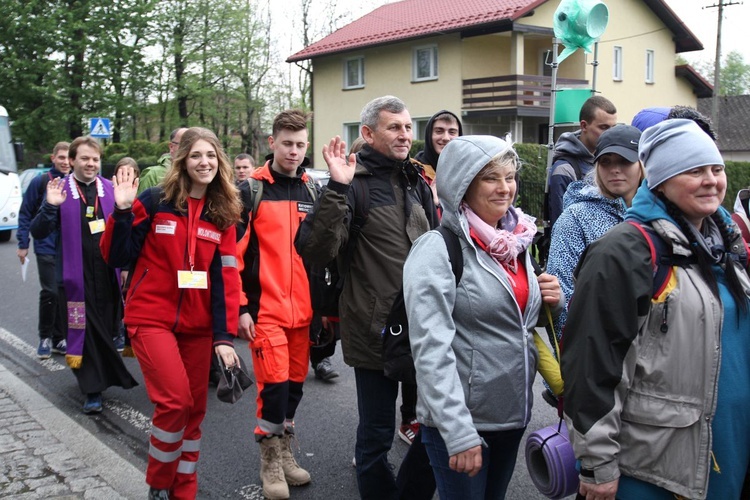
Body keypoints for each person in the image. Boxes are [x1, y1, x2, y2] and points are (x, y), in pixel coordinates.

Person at [562, 119, 750, 500]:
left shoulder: (727, 245)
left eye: (716, 169)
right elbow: (592, 363)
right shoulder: (623, 252)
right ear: (660, 180)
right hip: (653, 469)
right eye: (694, 170)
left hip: (727, 450)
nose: (711, 180)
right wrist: (598, 465)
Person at [403, 135, 563, 499]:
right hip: (463, 422)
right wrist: (457, 431)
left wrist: (552, 300)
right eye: (491, 177)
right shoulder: (437, 248)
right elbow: (431, 350)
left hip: (510, 414)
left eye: (510, 177)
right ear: (462, 182)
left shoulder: (515, 241)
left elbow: (519, 321)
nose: (505, 188)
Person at [296, 95, 438, 500]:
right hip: (374, 328)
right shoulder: (351, 186)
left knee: (436, 425)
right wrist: (337, 187)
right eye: (394, 127)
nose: (404, 135)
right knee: (376, 434)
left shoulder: (415, 181)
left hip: (422, 325)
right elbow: (315, 250)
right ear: (368, 133)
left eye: (408, 127)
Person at [100, 127, 243, 500]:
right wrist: (122, 210)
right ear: (183, 160)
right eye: (196, 155)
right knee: (175, 401)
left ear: (219, 162)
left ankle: (184, 490)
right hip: (150, 317)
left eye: (211, 155)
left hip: (197, 328)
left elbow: (225, 278)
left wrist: (224, 337)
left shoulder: (223, 212)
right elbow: (116, 256)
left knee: (194, 411)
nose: (204, 162)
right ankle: (159, 484)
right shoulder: (155, 199)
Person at [236, 109, 316, 500]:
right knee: (275, 387)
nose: (294, 152)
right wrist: (239, 307)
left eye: (301, 145)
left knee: (295, 388)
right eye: (287, 144)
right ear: (272, 143)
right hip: (265, 311)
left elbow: (319, 257)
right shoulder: (250, 190)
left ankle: (284, 451)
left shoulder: (311, 190)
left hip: (302, 314)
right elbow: (230, 256)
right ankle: (269, 459)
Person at [30, 136, 137, 414]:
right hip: (74, 278)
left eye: (95, 159)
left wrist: (125, 266)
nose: (91, 164)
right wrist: (50, 206)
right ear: (72, 160)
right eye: (85, 158)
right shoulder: (59, 189)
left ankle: (103, 377)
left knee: (105, 328)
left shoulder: (111, 189)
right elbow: (39, 231)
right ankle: (92, 389)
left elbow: (128, 230)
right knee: (85, 330)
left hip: (107, 274)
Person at [546, 125, 643, 337]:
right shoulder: (576, 218)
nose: (615, 169)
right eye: (605, 161)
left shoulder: (657, 215)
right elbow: (561, 294)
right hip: (596, 351)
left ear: (642, 164)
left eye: (624, 161)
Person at [17, 141, 71, 359]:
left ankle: (59, 338)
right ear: (53, 158)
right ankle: (45, 337)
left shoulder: (76, 184)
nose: (65, 162)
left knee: (65, 293)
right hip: (46, 247)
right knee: (50, 291)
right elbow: (25, 213)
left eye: (69, 157)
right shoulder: (41, 182)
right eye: (61, 157)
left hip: (69, 249)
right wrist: (22, 243)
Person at [546, 95, 617, 228]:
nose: (610, 134)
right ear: (584, 126)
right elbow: (561, 227)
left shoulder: (610, 162)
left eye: (613, 128)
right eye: (604, 127)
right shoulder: (565, 169)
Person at [111, 156, 140, 353]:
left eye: (130, 173)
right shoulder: (108, 195)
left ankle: (127, 332)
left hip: (132, 260)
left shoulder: (142, 200)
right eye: (122, 173)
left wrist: (127, 268)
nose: (126, 177)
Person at [413, 110, 463, 207]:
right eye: (439, 131)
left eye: (452, 132)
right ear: (429, 135)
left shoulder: (465, 171)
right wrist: (430, 201)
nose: (446, 138)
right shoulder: (415, 173)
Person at [137, 127, 187, 195]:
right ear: (171, 147)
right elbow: (140, 204)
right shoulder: (152, 175)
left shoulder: (198, 174)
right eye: (184, 144)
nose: (188, 148)